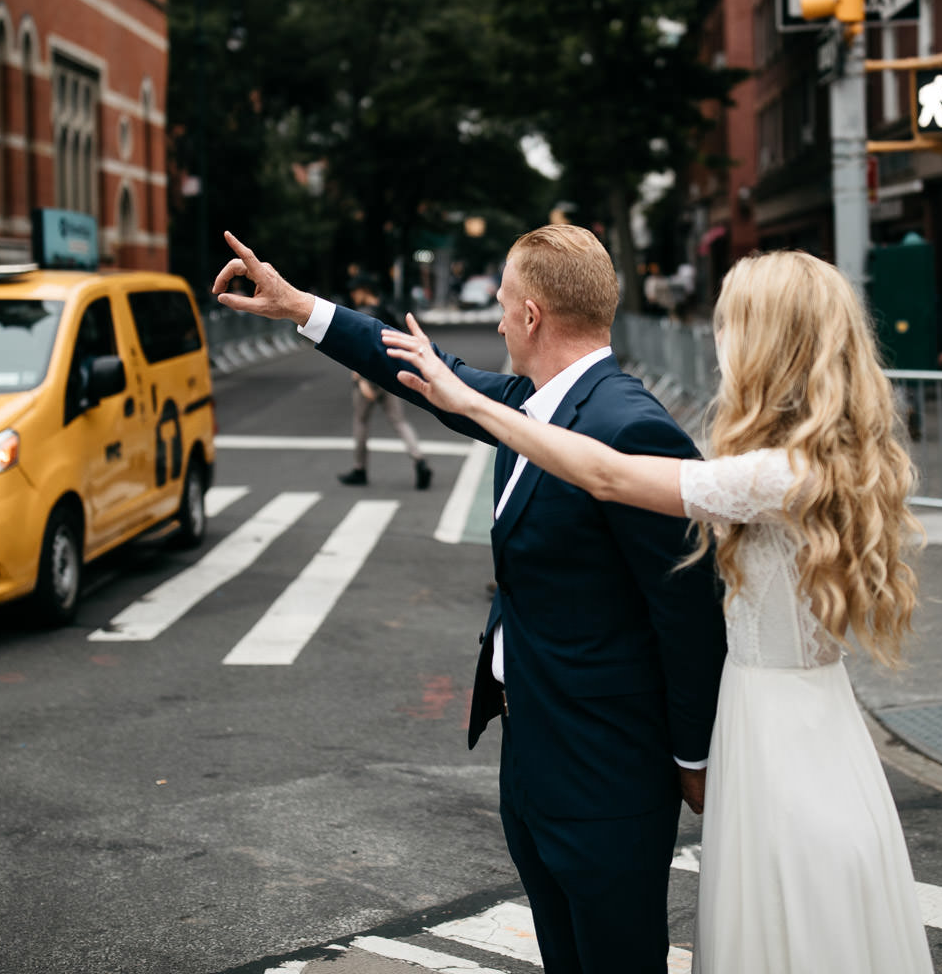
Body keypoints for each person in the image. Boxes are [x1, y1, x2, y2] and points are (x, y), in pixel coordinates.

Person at [383, 249, 934, 974]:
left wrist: (478, 406)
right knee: (802, 921)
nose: (717, 341)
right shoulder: (815, 461)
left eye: (730, 325)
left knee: (785, 919)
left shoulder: (780, 476)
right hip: (810, 718)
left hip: (773, 734)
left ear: (770, 343)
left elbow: (608, 474)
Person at [214, 225, 725, 974]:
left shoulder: (630, 425)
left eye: (502, 304)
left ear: (531, 318)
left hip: (606, 775)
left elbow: (685, 613)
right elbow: (426, 374)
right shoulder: (532, 402)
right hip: (535, 760)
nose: (493, 320)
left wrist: (695, 757)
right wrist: (301, 308)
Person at [336, 274, 432, 490]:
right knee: (399, 422)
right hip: (389, 374)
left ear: (363, 290)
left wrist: (361, 381)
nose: (353, 295)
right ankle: (419, 460)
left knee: (361, 422)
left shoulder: (360, 315)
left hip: (368, 377)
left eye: (355, 291)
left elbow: (357, 351)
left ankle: (359, 469)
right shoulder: (387, 311)